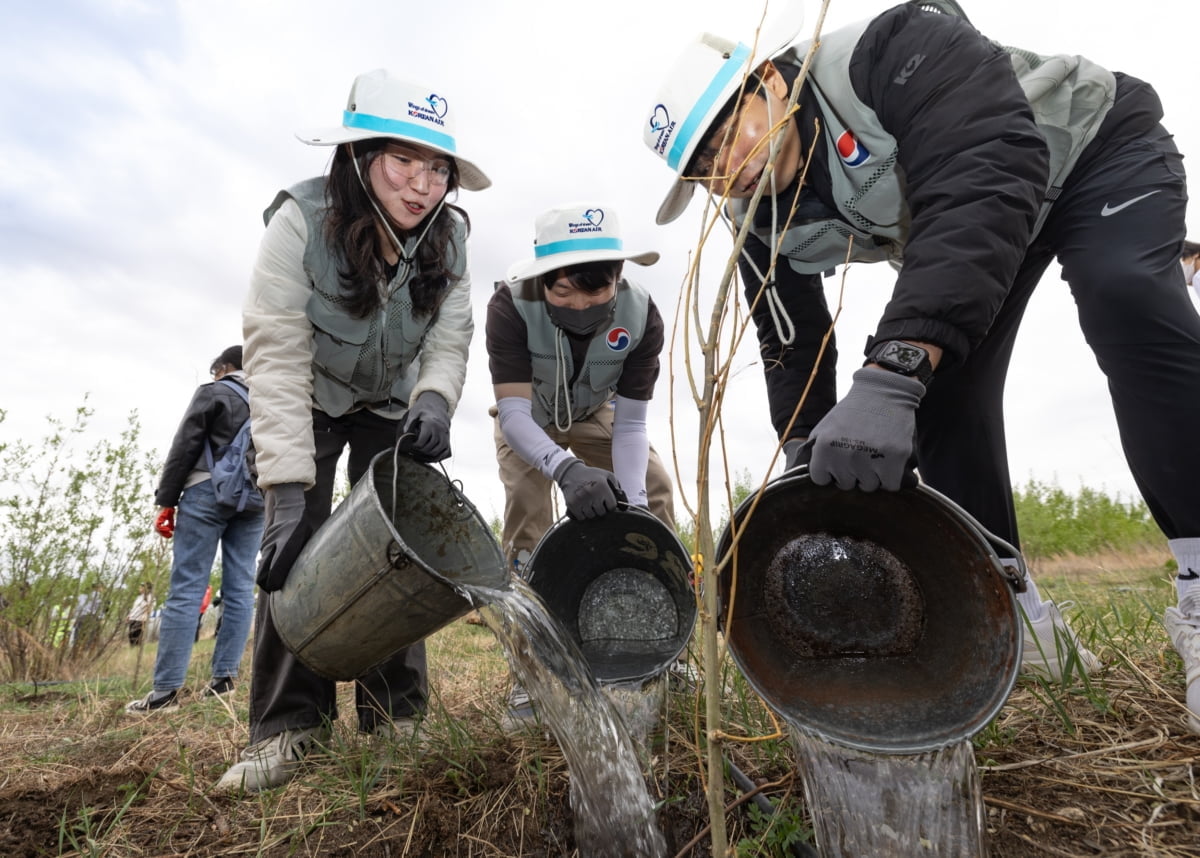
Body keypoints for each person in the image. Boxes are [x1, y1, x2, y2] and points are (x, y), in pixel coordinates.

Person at [641, 2, 1200, 733]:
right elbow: (792, 343)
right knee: (934, 405)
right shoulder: (754, 220)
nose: (727, 170)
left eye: (725, 135)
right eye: (704, 168)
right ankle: (1018, 614)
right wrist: (806, 447)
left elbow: (984, 172)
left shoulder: (892, 48)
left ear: (772, 82)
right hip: (987, 231)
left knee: (1123, 292)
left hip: (1088, 151)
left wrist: (896, 364)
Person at [215, 68, 490, 792]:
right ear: (358, 158)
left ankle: (394, 717)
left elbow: (450, 339)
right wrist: (283, 489)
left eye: (437, 168)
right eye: (403, 160)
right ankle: (288, 729)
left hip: (391, 404)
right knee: (297, 549)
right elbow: (273, 356)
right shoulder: (299, 224)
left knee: (398, 547)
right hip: (305, 394)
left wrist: (434, 399)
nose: (421, 184)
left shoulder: (451, 241)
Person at [486, 202, 676, 726]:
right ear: (542, 279)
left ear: (618, 276)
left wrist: (631, 510)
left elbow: (633, 428)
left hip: (597, 413)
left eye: (594, 291)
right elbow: (515, 413)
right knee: (528, 513)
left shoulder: (642, 318)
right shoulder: (510, 306)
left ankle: (662, 645)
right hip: (528, 418)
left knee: (655, 489)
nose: (577, 305)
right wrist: (565, 470)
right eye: (561, 291)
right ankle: (531, 677)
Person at [126, 346, 265, 714]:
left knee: (187, 588)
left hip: (206, 493)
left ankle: (165, 693)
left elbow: (185, 445)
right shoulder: (274, 397)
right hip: (256, 501)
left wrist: (167, 499)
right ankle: (224, 681)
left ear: (224, 368)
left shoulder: (213, 391)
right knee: (239, 589)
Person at [71, 581, 104, 652]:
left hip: (81, 618)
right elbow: (99, 608)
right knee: (90, 638)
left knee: (78, 638)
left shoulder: (81, 596)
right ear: (98, 587)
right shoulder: (98, 596)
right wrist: (101, 618)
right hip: (92, 618)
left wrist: (75, 618)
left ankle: (75, 652)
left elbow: (77, 608)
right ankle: (85, 653)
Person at [127, 581, 154, 646]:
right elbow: (134, 607)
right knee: (131, 635)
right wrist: (129, 615)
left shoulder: (150, 597)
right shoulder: (139, 597)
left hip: (140, 619)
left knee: (137, 636)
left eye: (141, 587)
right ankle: (132, 649)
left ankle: (136, 650)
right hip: (133, 617)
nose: (140, 588)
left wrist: (145, 615)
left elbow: (149, 607)